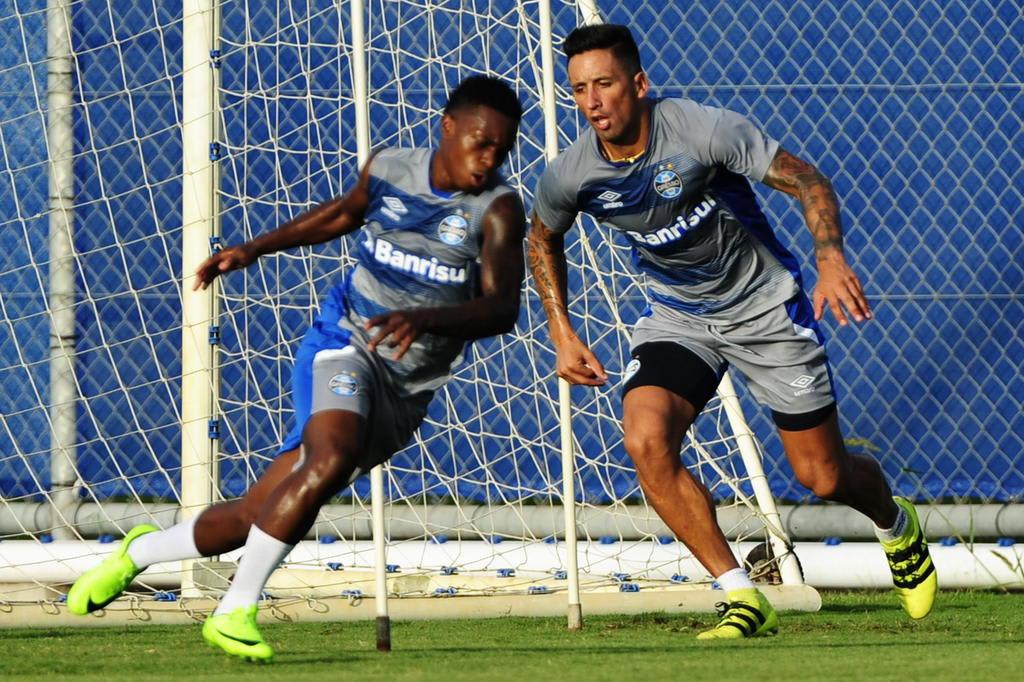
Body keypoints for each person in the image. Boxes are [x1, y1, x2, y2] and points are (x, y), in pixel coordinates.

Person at [67, 75, 526, 661]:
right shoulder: (389, 167)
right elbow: (342, 214)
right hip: (345, 340)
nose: (489, 160)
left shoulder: (498, 210)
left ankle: (138, 553)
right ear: (447, 127)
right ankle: (235, 611)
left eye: (502, 150)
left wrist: (428, 320)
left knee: (260, 510)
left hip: (406, 387)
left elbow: (502, 308)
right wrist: (254, 248)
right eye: (480, 143)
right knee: (328, 459)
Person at [527, 24, 935, 639]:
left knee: (821, 476)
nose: (592, 102)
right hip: (679, 318)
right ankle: (739, 591)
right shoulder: (572, 174)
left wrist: (829, 260)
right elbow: (541, 237)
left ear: (637, 84)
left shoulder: (703, 130)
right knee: (644, 437)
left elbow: (808, 180)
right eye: (580, 89)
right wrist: (561, 331)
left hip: (765, 310)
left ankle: (893, 522)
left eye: (605, 84)